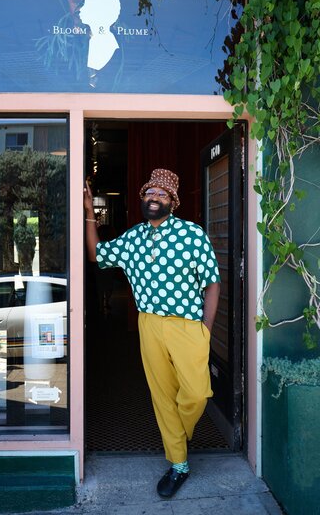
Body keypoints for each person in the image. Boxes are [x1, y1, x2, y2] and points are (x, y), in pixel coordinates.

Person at [84, 168, 220, 499]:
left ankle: (179, 432)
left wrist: (206, 328)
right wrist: (89, 214)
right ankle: (179, 464)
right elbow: (96, 255)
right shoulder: (133, 237)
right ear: (142, 199)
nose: (153, 198)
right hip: (149, 324)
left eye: (161, 194)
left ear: (172, 202)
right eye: (149, 193)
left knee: (197, 393)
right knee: (162, 397)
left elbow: (213, 281)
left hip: (189, 325)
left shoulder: (192, 234)